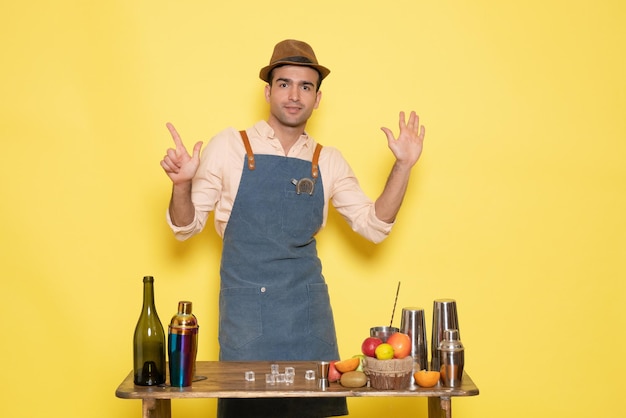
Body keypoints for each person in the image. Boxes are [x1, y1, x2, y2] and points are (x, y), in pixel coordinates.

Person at [160, 39, 425, 418]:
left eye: (306, 86)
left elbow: (374, 226)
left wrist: (403, 167)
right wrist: (181, 185)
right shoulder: (229, 147)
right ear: (268, 91)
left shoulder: (327, 160)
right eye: (284, 84)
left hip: (308, 319)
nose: (294, 95)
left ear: (318, 98)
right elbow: (185, 227)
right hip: (247, 319)